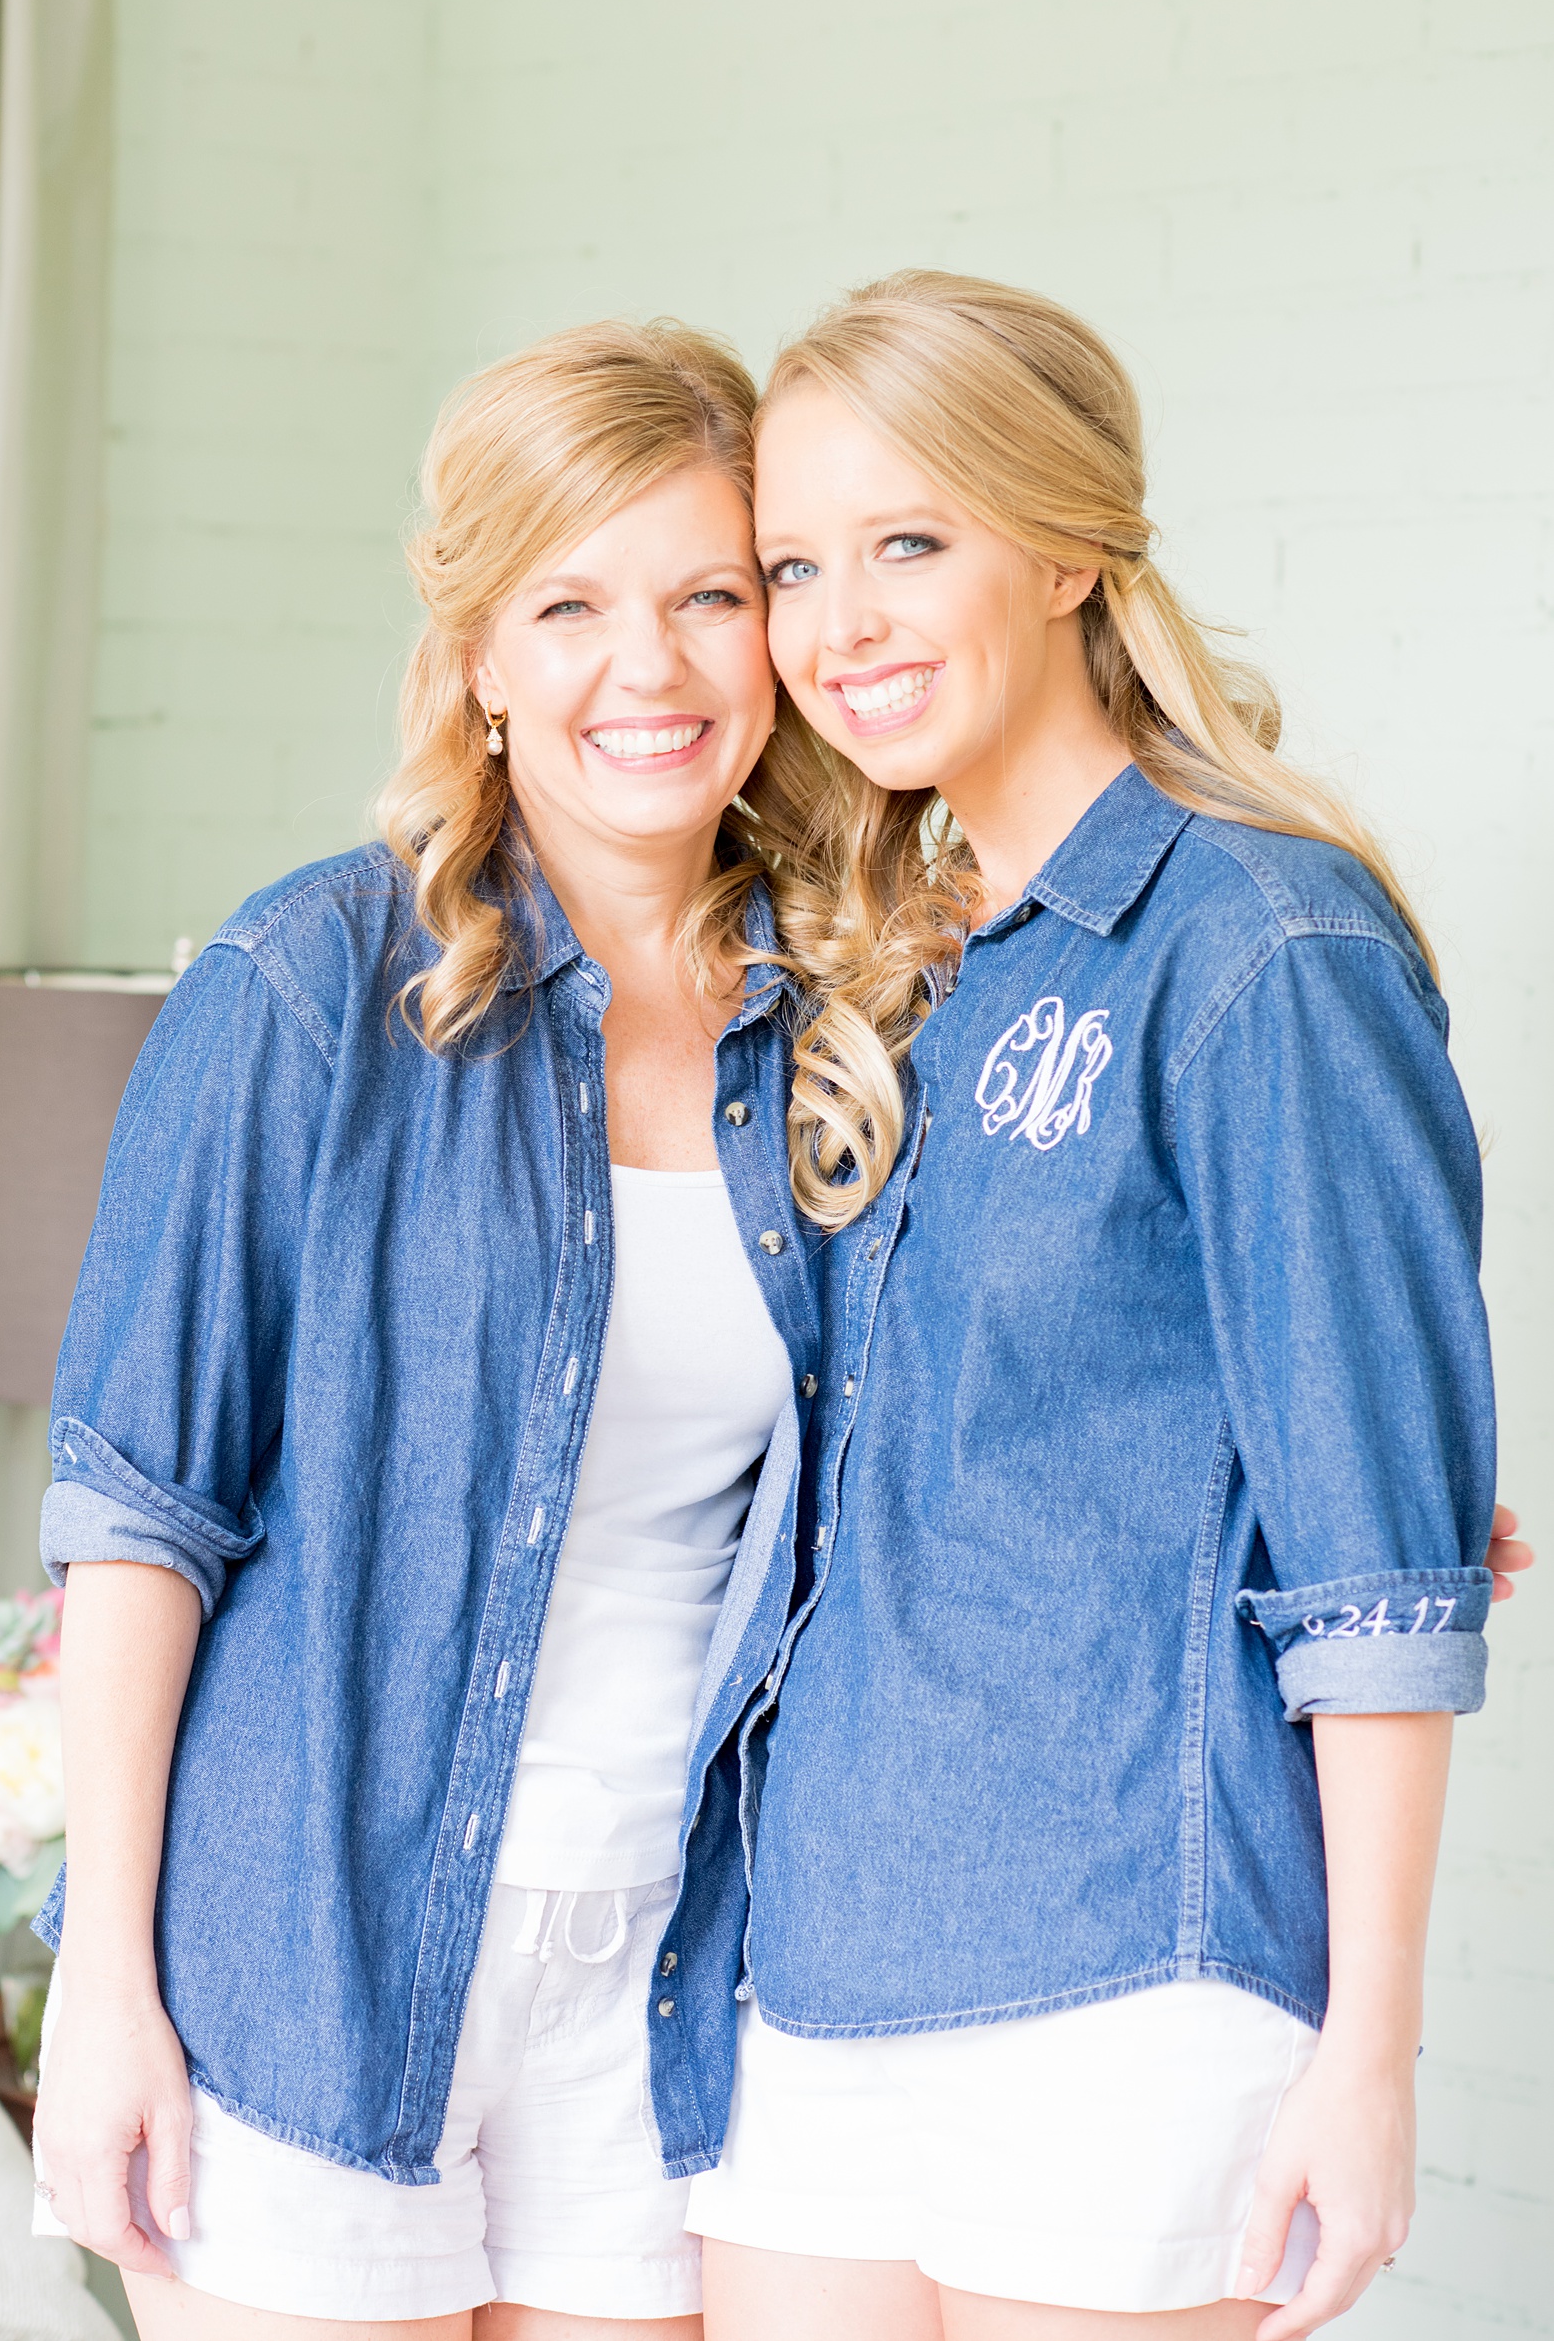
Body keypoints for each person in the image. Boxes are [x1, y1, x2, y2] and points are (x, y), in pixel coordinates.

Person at [683, 272, 1520, 2341]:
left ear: (1064, 544)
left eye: (910, 540)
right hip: (824, 1953)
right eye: (794, 563)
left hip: (1126, 1972)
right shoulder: (885, 959)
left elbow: (1378, 1567)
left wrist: (1371, 2050)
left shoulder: (1261, 942)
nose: (837, 624)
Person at [26, 317, 846, 2340]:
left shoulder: (843, 1018)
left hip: (671, 1971)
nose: (641, 667)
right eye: (566, 601)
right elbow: (140, 1514)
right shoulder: (311, 980)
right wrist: (102, 1981)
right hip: (313, 1953)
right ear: (478, 653)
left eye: (702, 595)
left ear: (773, 630)